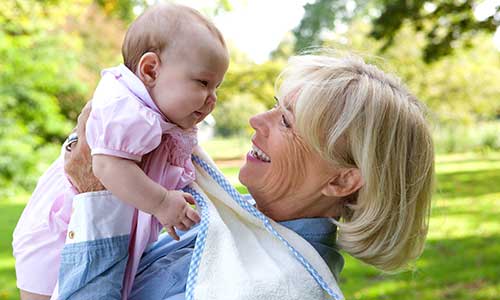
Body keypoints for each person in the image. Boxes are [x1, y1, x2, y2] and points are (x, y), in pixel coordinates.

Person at [55, 51, 435, 299]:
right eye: (275, 107)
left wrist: (96, 198)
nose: (257, 121)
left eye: (286, 122)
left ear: (340, 181)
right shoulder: (226, 222)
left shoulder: (278, 287)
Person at [12, 3, 229, 299]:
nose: (212, 98)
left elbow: (183, 161)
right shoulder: (126, 109)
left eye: (217, 87)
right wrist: (163, 202)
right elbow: (107, 166)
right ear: (150, 69)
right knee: (47, 291)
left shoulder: (158, 116)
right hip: (61, 229)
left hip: (93, 228)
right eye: (203, 82)